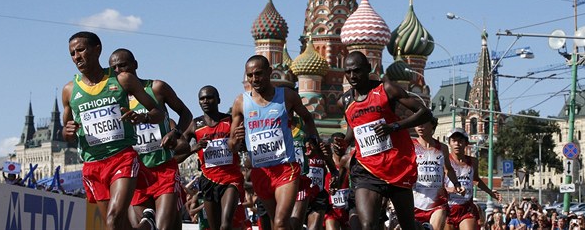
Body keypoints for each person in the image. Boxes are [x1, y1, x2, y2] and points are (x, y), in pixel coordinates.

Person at [62, 31, 164, 230]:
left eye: (81, 50)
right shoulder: (69, 90)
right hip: (93, 165)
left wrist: (142, 117)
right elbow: (65, 133)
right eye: (72, 53)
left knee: (113, 220)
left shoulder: (122, 80)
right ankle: (147, 225)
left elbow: (157, 112)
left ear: (97, 49)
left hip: (121, 158)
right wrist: (67, 132)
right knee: (119, 226)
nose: (77, 57)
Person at [228, 55, 333, 230]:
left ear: (270, 72)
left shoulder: (287, 97)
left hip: (286, 169)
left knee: (280, 222)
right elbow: (232, 145)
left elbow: (307, 118)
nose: (254, 79)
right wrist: (236, 140)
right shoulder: (241, 102)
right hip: (260, 172)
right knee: (279, 224)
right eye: (250, 75)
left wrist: (313, 139)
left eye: (259, 74)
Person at [338, 51, 433, 230]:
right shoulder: (345, 101)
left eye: (357, 71)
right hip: (366, 169)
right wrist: (342, 142)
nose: (352, 76)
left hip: (396, 166)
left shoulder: (386, 89)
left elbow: (425, 113)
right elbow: (353, 130)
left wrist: (394, 126)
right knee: (367, 225)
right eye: (348, 72)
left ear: (368, 69)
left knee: (407, 226)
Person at [108, 48, 193, 230]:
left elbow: (185, 113)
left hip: (163, 168)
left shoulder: (156, 88)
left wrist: (175, 133)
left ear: (135, 65)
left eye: (122, 65)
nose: (118, 71)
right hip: (134, 173)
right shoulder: (112, 98)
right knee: (141, 226)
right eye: (113, 68)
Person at [175, 85, 246, 230]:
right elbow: (176, 157)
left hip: (231, 179)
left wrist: (241, 141)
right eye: (202, 99)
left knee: (225, 225)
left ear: (218, 99)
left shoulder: (230, 120)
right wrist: (194, 148)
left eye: (209, 97)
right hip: (208, 181)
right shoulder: (195, 125)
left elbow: (243, 146)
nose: (205, 101)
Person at [445, 128, 503, 230]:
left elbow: (476, 180)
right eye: (454, 141)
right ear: (449, 143)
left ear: (466, 143)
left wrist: (490, 192)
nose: (457, 144)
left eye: (460, 141)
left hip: (466, 207)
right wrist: (451, 189)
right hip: (448, 208)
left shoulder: (473, 161)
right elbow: (437, 185)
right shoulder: (444, 161)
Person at [412, 118, 464, 230]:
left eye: (423, 123)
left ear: (432, 125)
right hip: (414, 201)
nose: (420, 127)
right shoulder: (411, 145)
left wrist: (456, 184)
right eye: (417, 124)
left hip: (437, 201)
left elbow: (448, 169)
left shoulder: (442, 148)